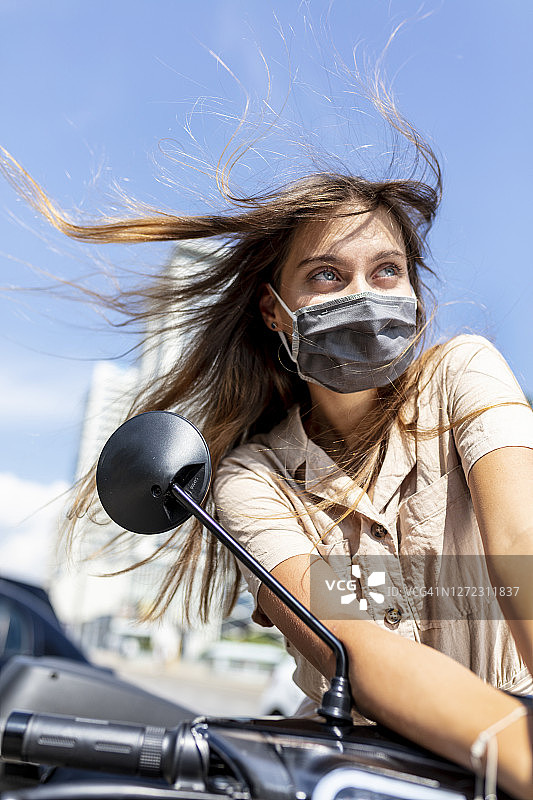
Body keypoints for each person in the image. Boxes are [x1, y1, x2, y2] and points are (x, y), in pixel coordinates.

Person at [1, 106, 533, 798]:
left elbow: (519, 546)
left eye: (387, 270)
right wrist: (506, 746)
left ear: (413, 290)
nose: (363, 295)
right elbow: (349, 641)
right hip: (362, 779)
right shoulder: (252, 478)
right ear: (274, 309)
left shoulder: (461, 371)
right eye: (326, 275)